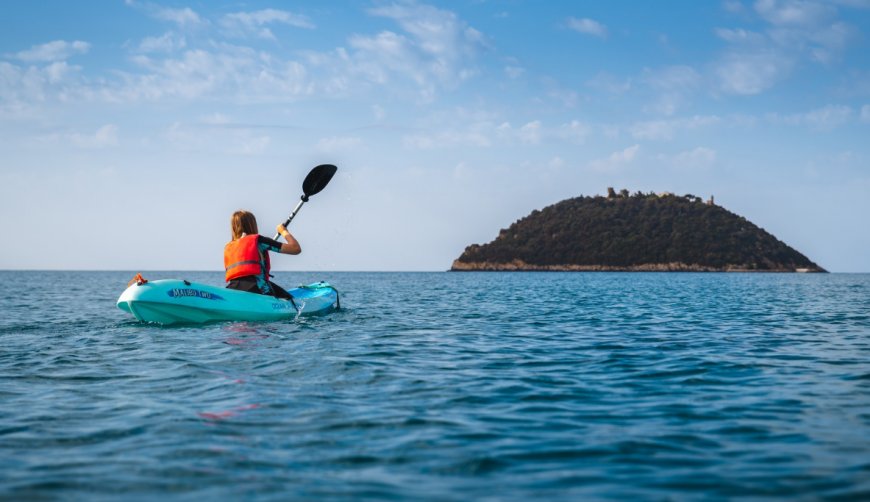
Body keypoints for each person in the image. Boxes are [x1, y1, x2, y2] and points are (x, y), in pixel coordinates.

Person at [224, 210, 300, 299]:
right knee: (290, 299)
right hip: (258, 290)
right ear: (252, 225)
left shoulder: (229, 246)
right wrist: (283, 231)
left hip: (233, 290)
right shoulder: (259, 241)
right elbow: (295, 248)